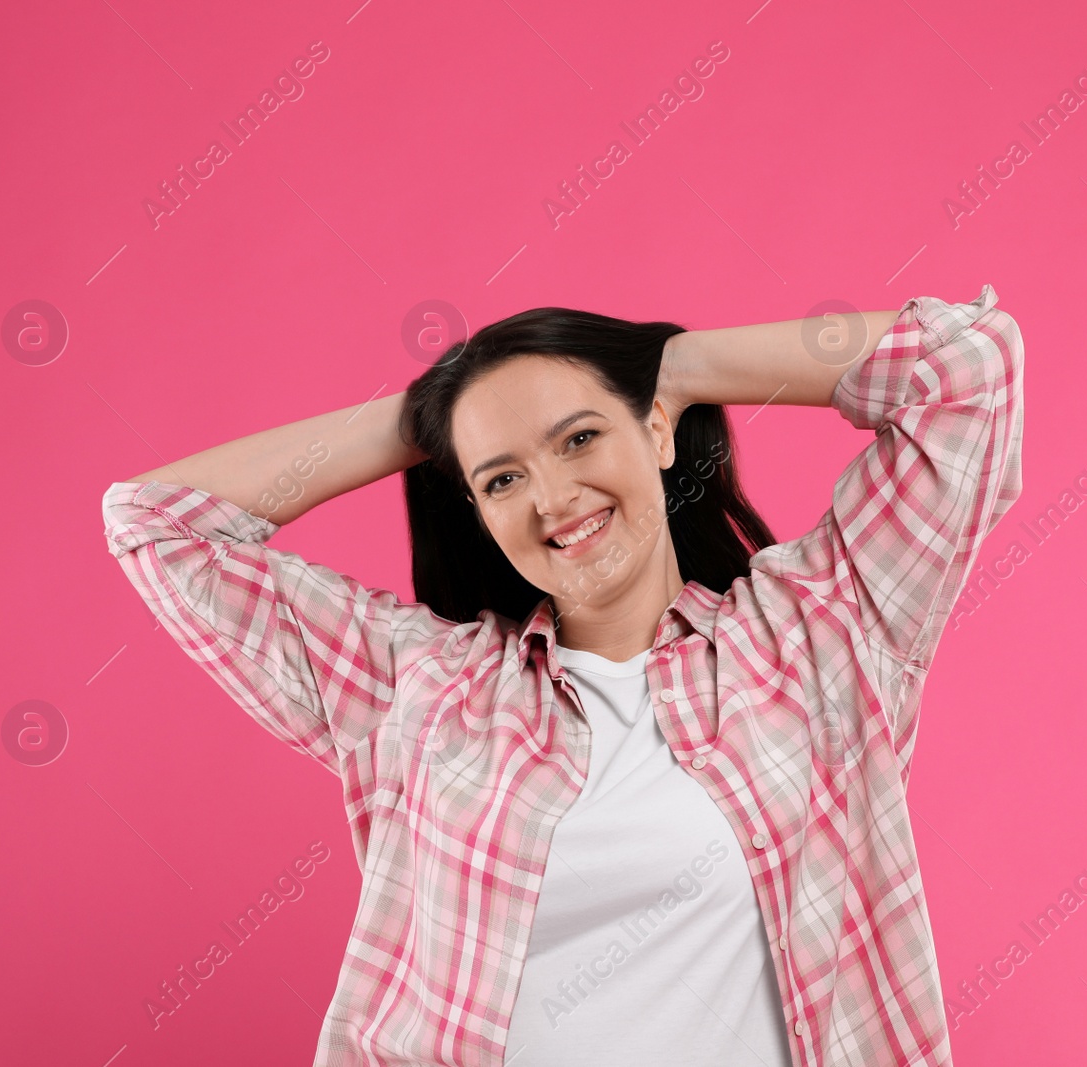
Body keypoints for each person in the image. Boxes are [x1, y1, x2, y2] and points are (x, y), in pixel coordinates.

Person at [101, 283, 1023, 1066]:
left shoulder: (822, 632)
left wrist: (674, 365)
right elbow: (157, 524)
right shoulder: (422, 688)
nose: (552, 497)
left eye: (579, 439)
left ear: (658, 431)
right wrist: (441, 413)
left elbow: (967, 370)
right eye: (501, 479)